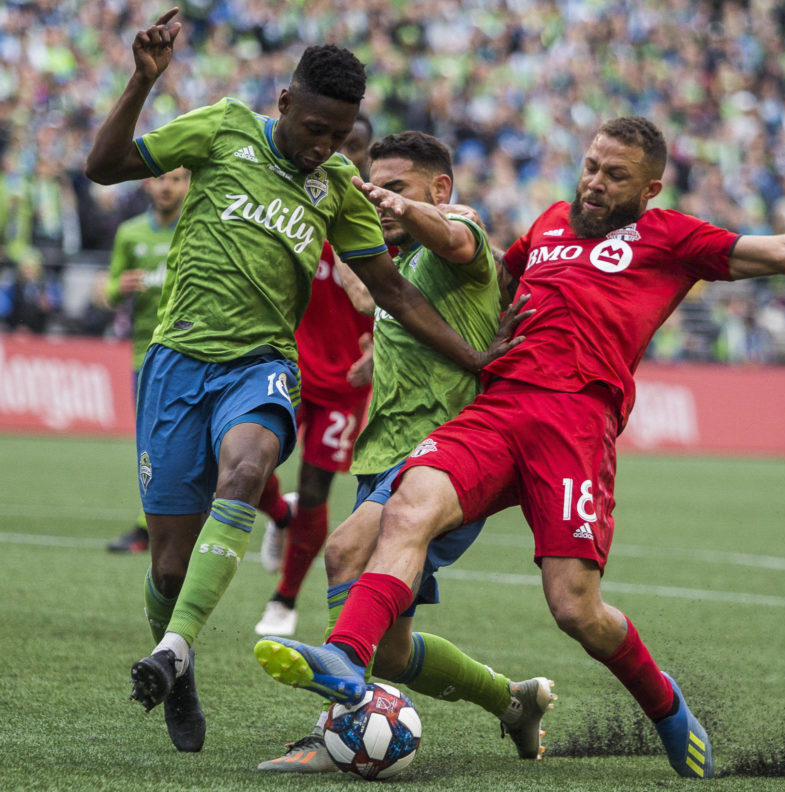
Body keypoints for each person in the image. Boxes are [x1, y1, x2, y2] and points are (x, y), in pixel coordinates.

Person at [252, 116, 785, 780]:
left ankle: (665, 705)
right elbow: (479, 291)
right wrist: (389, 352)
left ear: (650, 187)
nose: (594, 184)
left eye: (614, 176)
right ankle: (346, 665)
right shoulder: (545, 225)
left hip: (576, 426)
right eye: (591, 167)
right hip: (499, 409)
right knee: (409, 506)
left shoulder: (672, 239)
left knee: (575, 609)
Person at [84, 9, 524, 754]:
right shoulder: (223, 129)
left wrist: (477, 360)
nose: (323, 146)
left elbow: (396, 291)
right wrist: (142, 81)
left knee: (250, 470)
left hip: (261, 365)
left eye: (338, 134)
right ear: (285, 103)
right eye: (315, 128)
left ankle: (176, 648)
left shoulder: (338, 186)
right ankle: (179, 663)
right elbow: (104, 165)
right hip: (176, 363)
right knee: (166, 559)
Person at [256, 131, 553, 773]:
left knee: (343, 550)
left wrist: (407, 212)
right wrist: (375, 358)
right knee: (391, 653)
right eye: (377, 187)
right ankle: (512, 702)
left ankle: (332, 731)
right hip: (386, 456)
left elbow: (456, 235)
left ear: (438, 190)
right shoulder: (401, 267)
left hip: (448, 460)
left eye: (396, 188)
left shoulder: (460, 237)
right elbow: (389, 305)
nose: (383, 200)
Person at [254, 114, 378, 635]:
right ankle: (280, 517)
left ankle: (283, 600)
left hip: (345, 380)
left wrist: (380, 340)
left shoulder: (375, 220)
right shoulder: (298, 202)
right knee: (245, 463)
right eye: (336, 142)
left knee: (315, 488)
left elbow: (397, 299)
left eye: (354, 146)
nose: (342, 154)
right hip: (287, 359)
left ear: (367, 156)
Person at [106, 166, 190, 554]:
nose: (168, 187)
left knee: (190, 445)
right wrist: (117, 288)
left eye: (177, 179)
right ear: (148, 183)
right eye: (161, 179)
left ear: (189, 184)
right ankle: (150, 527)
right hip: (147, 356)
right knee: (152, 445)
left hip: (193, 350)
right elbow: (108, 291)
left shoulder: (197, 227)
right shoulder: (130, 233)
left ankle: (171, 523)